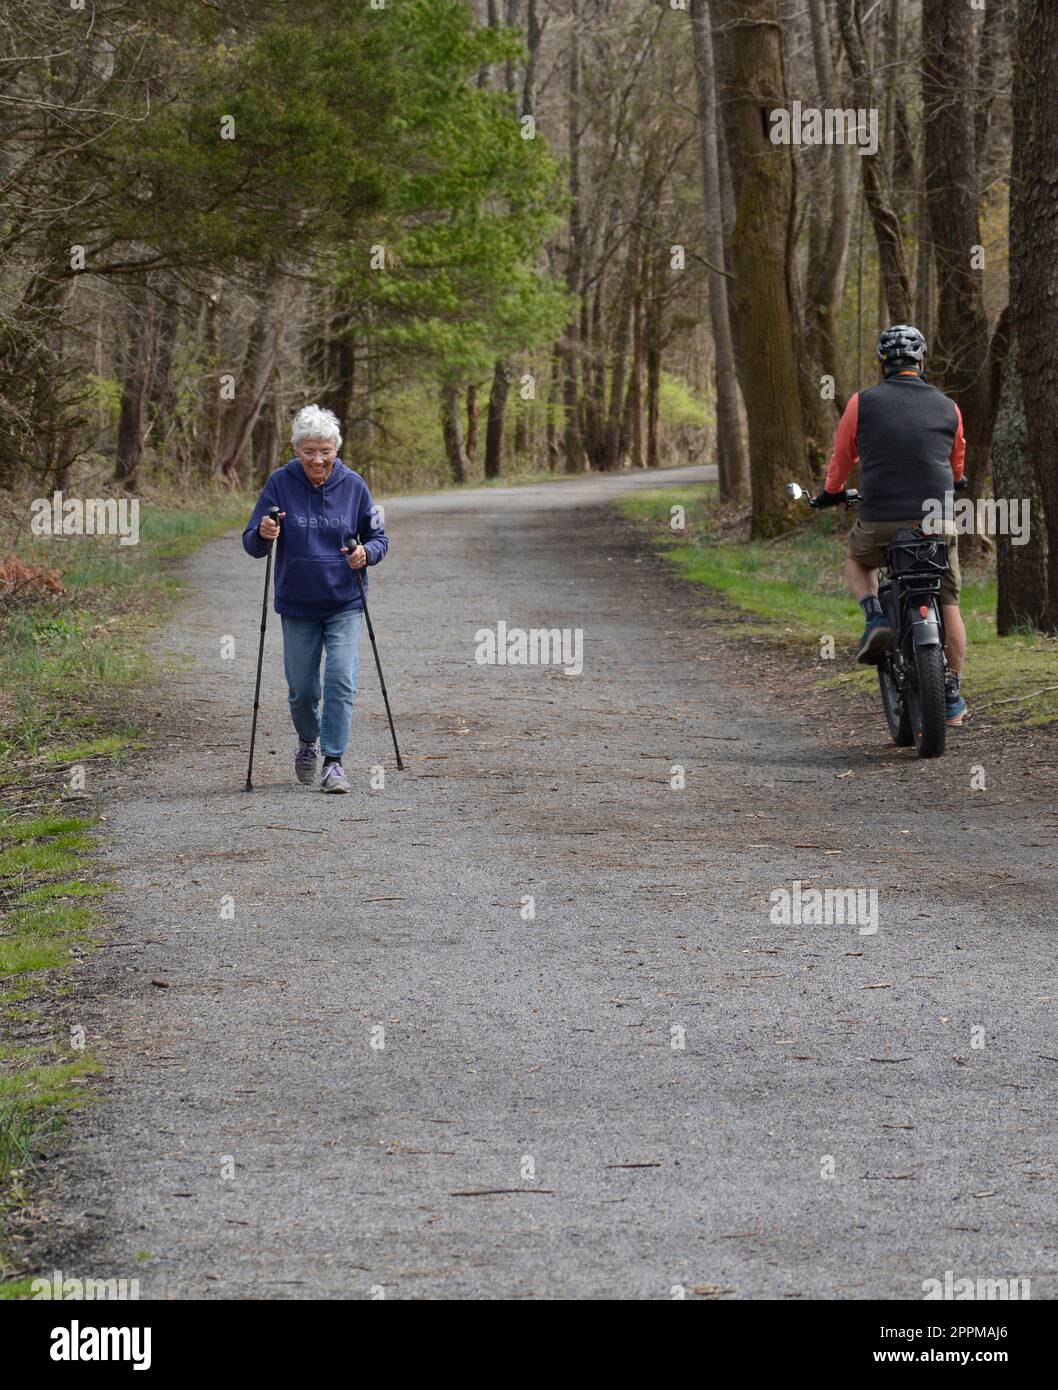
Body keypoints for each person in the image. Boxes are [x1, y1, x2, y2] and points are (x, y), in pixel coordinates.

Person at [814, 325, 969, 726]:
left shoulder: (861, 403)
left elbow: (843, 457)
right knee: (948, 601)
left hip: (881, 518)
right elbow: (957, 463)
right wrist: (957, 480)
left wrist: (831, 492)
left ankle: (876, 617)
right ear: (922, 361)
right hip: (936, 522)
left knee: (856, 559)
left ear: (882, 364)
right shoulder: (948, 405)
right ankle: (951, 692)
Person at [242, 404, 389, 792]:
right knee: (302, 689)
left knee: (341, 679)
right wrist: (264, 531)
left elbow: (379, 539)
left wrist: (365, 554)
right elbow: (251, 543)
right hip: (298, 603)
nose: (317, 459)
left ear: (336, 450)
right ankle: (308, 741)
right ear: (296, 451)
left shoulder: (355, 485)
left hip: (345, 600)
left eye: (325, 450)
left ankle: (334, 761)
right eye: (309, 451)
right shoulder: (280, 483)